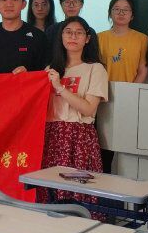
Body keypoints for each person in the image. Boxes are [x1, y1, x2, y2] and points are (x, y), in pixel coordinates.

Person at [38, 17, 108, 205]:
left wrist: (60, 87)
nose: (73, 36)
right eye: (68, 32)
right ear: (61, 36)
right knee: (49, 193)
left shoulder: (95, 69)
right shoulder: (50, 70)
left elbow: (89, 109)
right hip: (51, 136)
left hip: (78, 137)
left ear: (87, 38)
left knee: (76, 194)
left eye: (79, 33)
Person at [97, 0, 148, 83]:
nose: (121, 13)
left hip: (132, 89)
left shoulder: (142, 39)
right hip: (103, 89)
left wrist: (131, 89)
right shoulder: (98, 38)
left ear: (132, 15)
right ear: (110, 13)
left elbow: (142, 71)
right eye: (117, 9)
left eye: (126, 9)